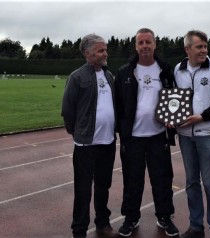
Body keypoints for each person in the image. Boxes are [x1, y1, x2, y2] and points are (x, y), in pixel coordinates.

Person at [114, 28, 179, 237]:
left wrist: (172, 120)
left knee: (162, 178)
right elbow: (118, 105)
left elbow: (174, 101)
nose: (144, 46)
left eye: (148, 42)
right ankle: (131, 218)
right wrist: (122, 131)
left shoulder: (166, 70)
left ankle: (165, 217)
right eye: (140, 43)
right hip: (132, 138)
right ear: (135, 46)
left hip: (158, 136)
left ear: (155, 44)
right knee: (132, 180)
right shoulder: (125, 72)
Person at [174, 30, 210, 238]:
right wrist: (172, 121)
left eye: (206, 46)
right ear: (187, 49)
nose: (204, 50)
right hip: (185, 137)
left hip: (208, 134)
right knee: (191, 183)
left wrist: (203, 116)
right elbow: (174, 101)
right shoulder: (177, 70)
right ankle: (196, 227)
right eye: (199, 47)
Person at [61, 34, 118, 238]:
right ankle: (79, 230)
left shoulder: (109, 75)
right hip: (86, 145)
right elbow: (68, 110)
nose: (105, 53)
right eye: (101, 50)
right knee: (83, 190)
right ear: (87, 53)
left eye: (105, 49)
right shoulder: (77, 77)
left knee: (104, 185)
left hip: (108, 142)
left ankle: (102, 223)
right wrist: (76, 132)